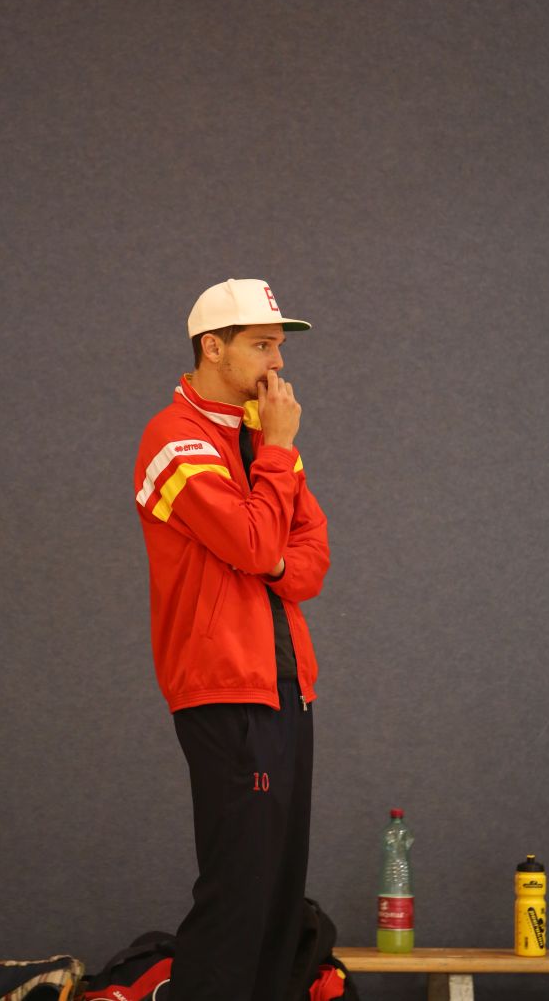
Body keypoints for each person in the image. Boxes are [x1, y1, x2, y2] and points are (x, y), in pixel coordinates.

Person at [134, 278, 330, 1001]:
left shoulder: (260, 439)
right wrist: (277, 453)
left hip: (289, 687)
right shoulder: (173, 439)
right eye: (262, 345)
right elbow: (254, 542)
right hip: (224, 689)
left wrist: (270, 556)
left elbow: (309, 559)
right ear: (212, 348)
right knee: (240, 893)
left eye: (279, 345)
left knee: (279, 896)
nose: (277, 362)